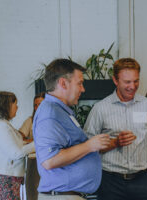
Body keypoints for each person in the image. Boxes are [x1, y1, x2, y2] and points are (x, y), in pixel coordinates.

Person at [84, 58, 147, 200]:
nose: (132, 86)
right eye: (127, 82)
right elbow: (87, 146)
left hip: (143, 180)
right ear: (115, 80)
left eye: (136, 81)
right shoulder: (100, 108)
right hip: (110, 182)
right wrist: (114, 142)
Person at [33, 59, 110, 200]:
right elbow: (49, 160)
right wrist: (90, 146)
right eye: (79, 83)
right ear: (63, 83)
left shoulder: (60, 111)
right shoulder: (50, 113)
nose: (83, 89)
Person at [0, 91, 35, 200]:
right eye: (15, 104)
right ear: (5, 106)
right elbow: (16, 153)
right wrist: (39, 144)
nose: (17, 107)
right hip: (0, 181)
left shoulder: (0, 124)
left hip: (0, 179)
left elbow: (14, 145)